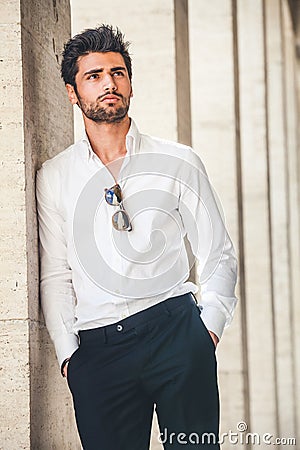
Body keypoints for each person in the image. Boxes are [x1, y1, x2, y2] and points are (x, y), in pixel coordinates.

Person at [36, 24, 238, 450]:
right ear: (72, 93)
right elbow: (55, 275)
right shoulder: (54, 177)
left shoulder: (178, 160)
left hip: (177, 334)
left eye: (118, 72)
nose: (109, 83)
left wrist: (207, 333)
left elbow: (218, 254)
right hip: (98, 352)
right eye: (93, 76)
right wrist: (69, 356)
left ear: (130, 82)